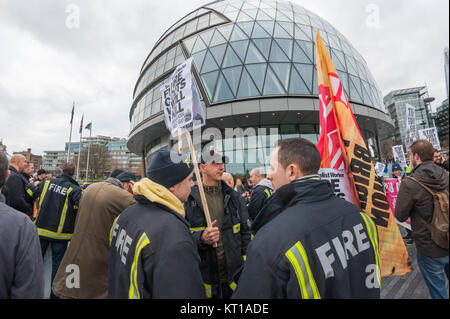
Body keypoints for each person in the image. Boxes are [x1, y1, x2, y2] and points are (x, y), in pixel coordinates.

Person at [232, 138, 380, 299]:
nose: (268, 175)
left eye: (273, 167)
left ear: (292, 171)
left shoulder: (270, 241)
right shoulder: (361, 218)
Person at [109, 150, 205, 299]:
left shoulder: (126, 215)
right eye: (189, 179)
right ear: (172, 185)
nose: (193, 184)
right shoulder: (173, 237)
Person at [52, 171, 136, 299]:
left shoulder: (91, 188)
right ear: (129, 184)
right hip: (98, 258)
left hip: (75, 252)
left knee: (68, 288)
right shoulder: (123, 197)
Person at [185, 151, 251, 299]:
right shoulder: (188, 199)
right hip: (206, 280)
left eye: (222, 163)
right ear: (202, 168)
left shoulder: (234, 198)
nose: (221, 167)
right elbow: (181, 236)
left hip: (234, 280)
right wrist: (201, 238)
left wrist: (247, 267)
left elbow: (246, 234)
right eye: (215, 163)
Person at [395, 140, 449, 299]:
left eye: (410, 154)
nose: (410, 157)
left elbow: (400, 215)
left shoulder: (410, 183)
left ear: (416, 156)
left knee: (438, 292)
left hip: (430, 247)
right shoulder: (446, 175)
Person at [33, 162, 82, 298]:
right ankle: (53, 295)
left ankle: (31, 292)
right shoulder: (74, 189)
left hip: (41, 230)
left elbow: (33, 194)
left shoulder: (46, 183)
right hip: (60, 235)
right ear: (73, 173)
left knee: (35, 263)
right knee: (57, 267)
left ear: (61, 171)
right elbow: (81, 206)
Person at [0, 152, 44, 298]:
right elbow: (29, 288)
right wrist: (28, 208)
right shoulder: (21, 226)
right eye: (25, 161)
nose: (27, 164)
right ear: (6, 176)